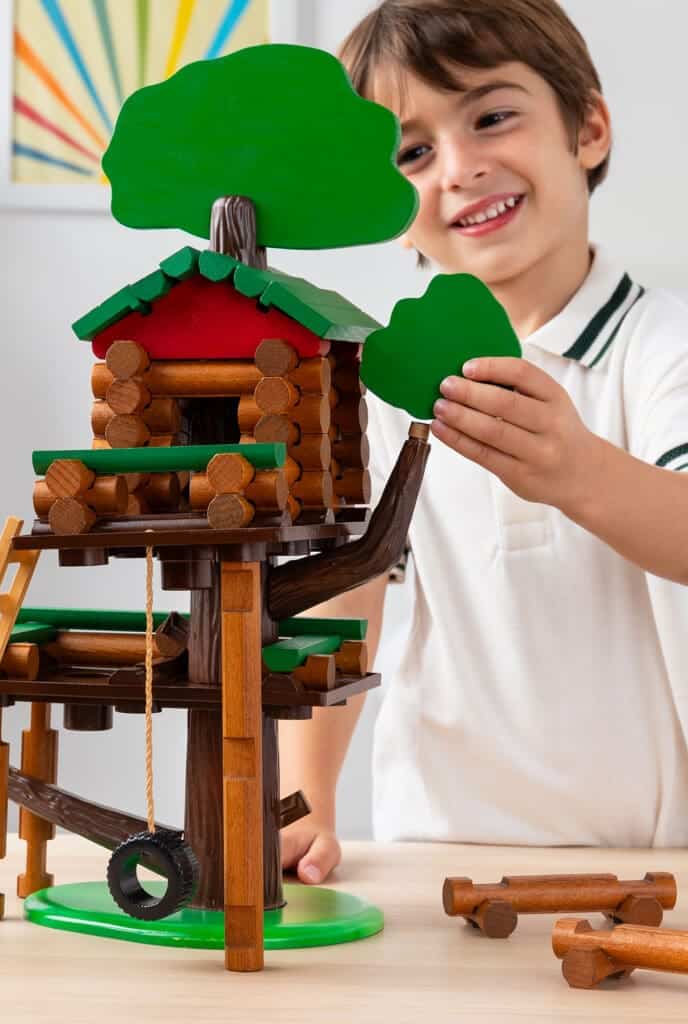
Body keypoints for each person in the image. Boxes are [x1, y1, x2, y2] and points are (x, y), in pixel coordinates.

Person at [280, 0, 688, 885]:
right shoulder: (381, 381)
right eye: (413, 153)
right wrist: (305, 794)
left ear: (587, 128)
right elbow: (345, 592)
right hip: (438, 846)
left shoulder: (663, 349)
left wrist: (579, 472)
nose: (459, 169)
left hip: (654, 857)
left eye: (492, 117)